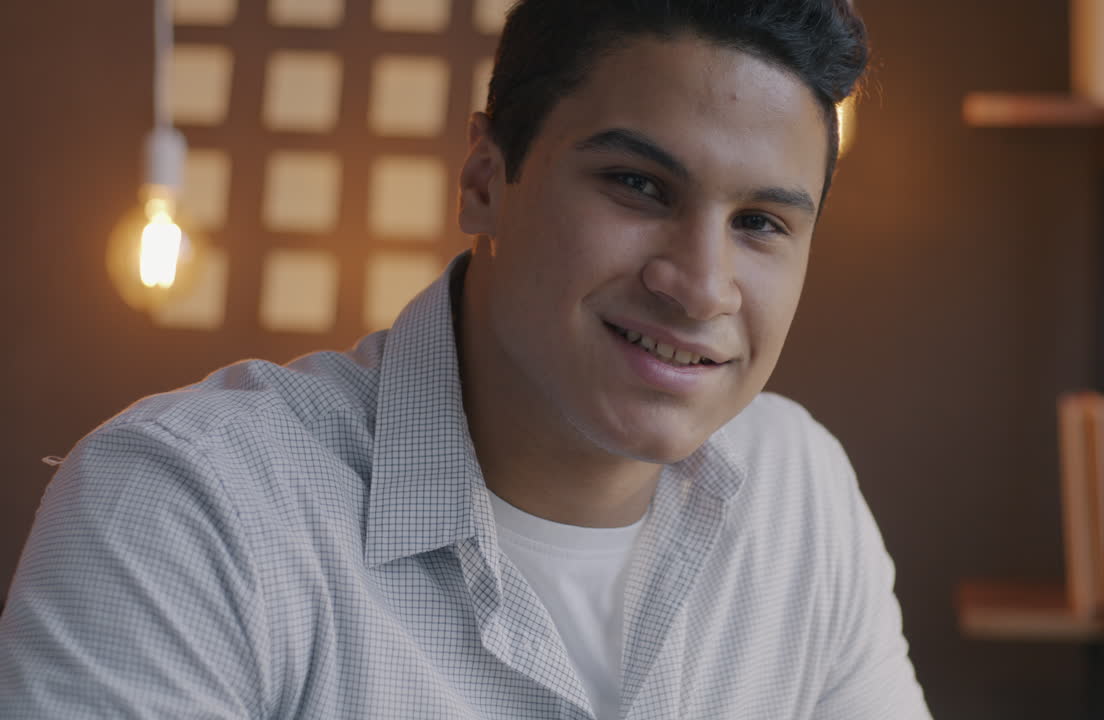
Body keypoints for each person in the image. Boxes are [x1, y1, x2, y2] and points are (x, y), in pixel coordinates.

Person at [0, 0, 931, 717]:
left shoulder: (800, 491)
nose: (700, 285)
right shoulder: (185, 512)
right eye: (638, 185)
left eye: (761, 223)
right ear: (486, 179)